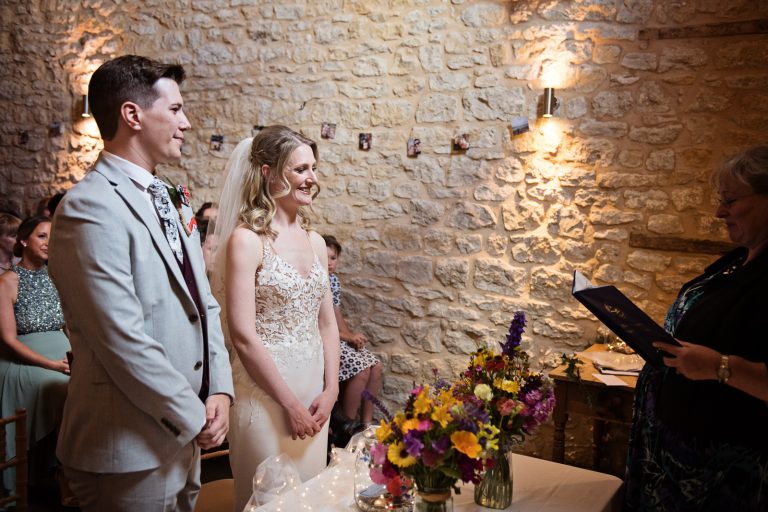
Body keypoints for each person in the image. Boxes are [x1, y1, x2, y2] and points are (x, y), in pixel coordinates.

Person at [47, 55, 233, 512]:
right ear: (132, 115)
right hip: (125, 448)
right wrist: (192, 416)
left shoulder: (170, 196)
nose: (186, 123)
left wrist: (220, 391)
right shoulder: (88, 208)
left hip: (179, 435)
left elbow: (204, 303)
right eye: (174, 110)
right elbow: (121, 339)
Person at [624, 145, 768, 511]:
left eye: (731, 201)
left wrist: (719, 367)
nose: (720, 212)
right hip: (673, 462)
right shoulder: (736, 261)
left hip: (724, 479)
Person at [211, 126, 339, 512]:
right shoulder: (246, 240)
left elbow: (327, 324)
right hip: (266, 396)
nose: (311, 179)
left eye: (313, 168)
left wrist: (331, 389)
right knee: (267, 501)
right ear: (268, 172)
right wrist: (290, 406)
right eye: (300, 169)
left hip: (315, 394)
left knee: (311, 498)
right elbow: (244, 335)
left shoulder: (316, 242)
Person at [0, 216, 70, 498]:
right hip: (25, 361)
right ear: (23, 240)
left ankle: (69, 473)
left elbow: (69, 325)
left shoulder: (58, 277)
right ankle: (52, 473)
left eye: (53, 238)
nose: (49, 243)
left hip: (61, 355)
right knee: (63, 388)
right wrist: (52, 364)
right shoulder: (7, 281)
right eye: (42, 236)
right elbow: (7, 339)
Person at [322, 235, 382, 435]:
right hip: (322, 339)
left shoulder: (333, 281)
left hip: (336, 336)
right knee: (361, 368)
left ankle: (366, 426)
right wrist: (346, 338)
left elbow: (337, 315)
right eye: (326, 257)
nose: (330, 263)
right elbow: (321, 324)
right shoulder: (316, 280)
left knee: (375, 365)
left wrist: (351, 337)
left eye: (334, 258)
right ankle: (345, 427)